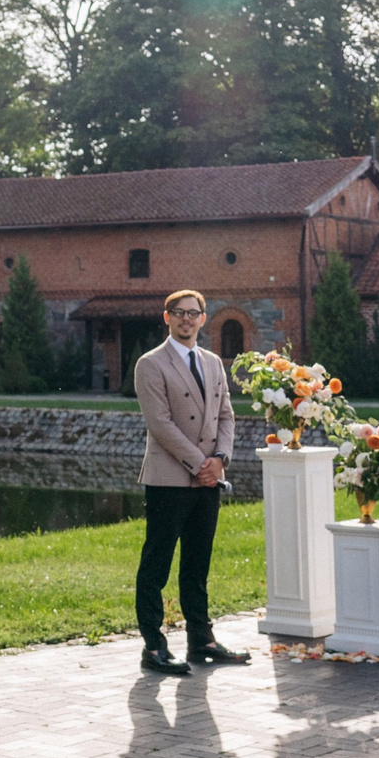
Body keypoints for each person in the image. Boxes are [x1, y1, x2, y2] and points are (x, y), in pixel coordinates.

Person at [133, 289, 248, 675]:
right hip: (168, 480)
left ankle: (202, 641)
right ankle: (154, 647)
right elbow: (160, 424)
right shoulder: (150, 364)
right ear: (166, 317)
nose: (186, 319)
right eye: (178, 313)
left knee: (197, 566)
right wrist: (201, 462)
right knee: (157, 565)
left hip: (208, 480)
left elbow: (227, 417)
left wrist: (220, 460)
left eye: (193, 313)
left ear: (203, 318)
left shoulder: (213, 362)